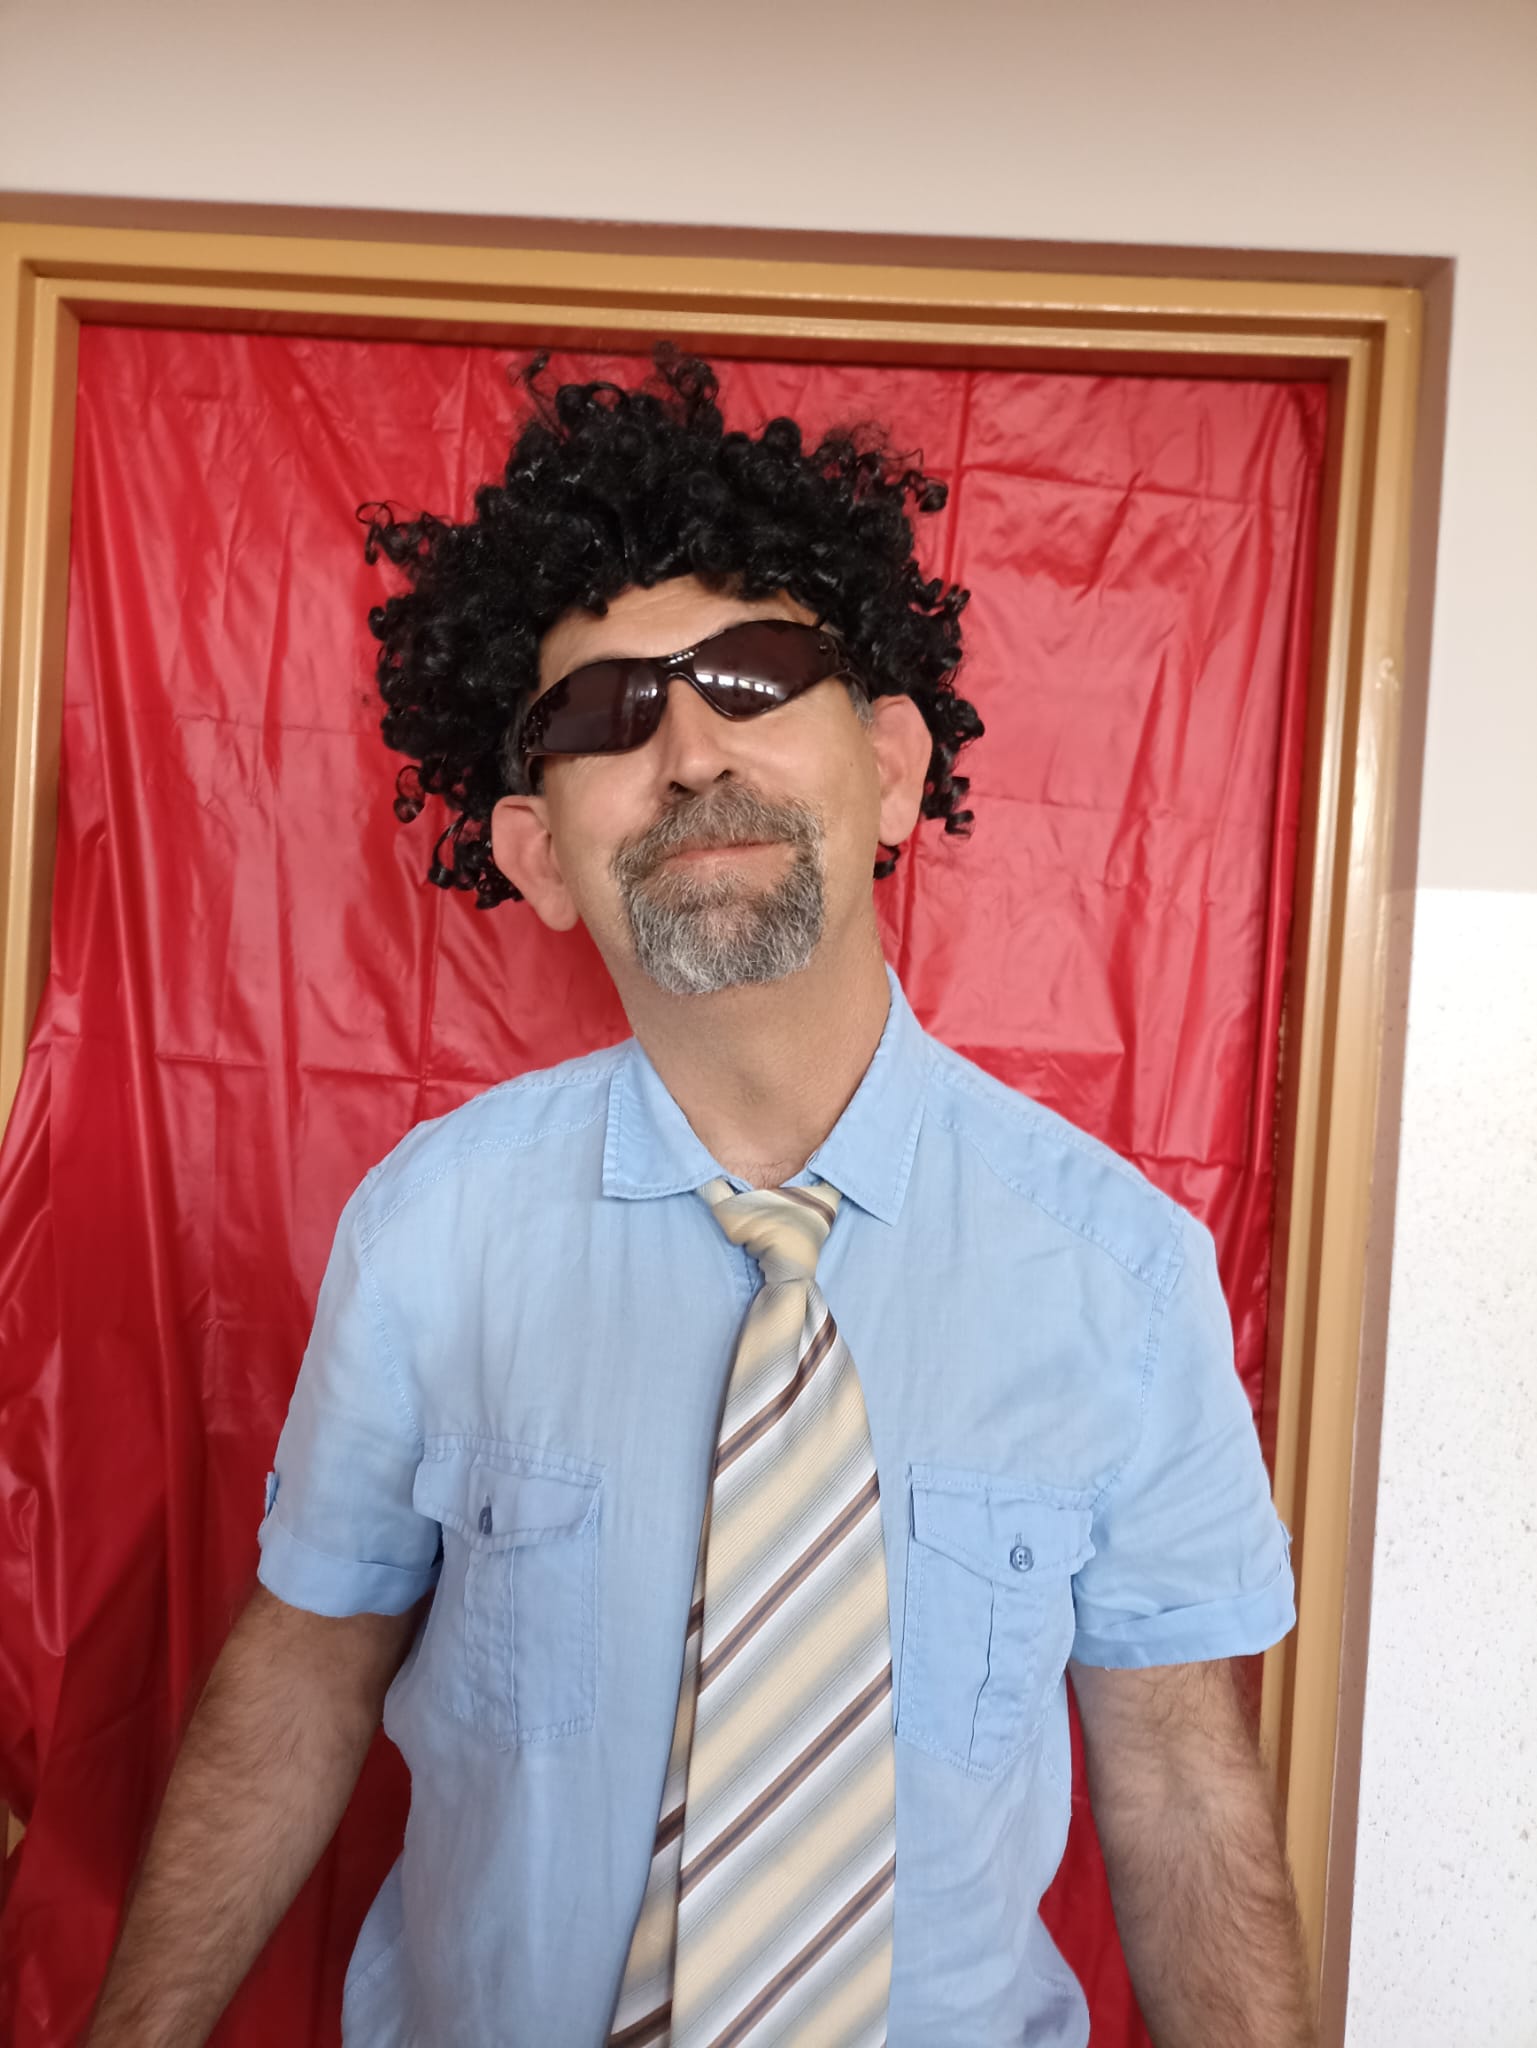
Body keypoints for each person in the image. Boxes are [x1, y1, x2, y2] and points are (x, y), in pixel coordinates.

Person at [88, 349, 1314, 2048]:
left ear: (891, 768)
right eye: (604, 712)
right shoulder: (430, 1233)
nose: (686, 749)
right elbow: (306, 1666)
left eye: (754, 676)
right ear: (536, 854)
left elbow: (1177, 1774)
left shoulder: (1123, 1273)